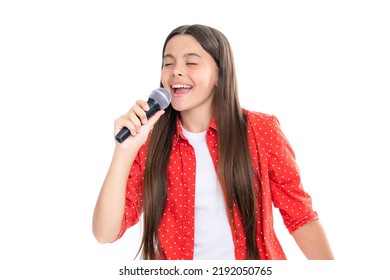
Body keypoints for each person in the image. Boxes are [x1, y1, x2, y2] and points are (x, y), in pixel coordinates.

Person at [92, 24, 334, 260]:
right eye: (168, 63)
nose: (176, 71)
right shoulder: (150, 142)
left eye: (191, 62)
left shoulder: (261, 130)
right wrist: (124, 151)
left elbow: (300, 217)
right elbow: (105, 233)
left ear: (220, 73)